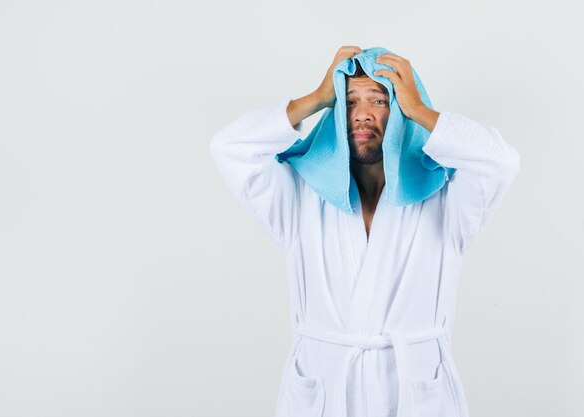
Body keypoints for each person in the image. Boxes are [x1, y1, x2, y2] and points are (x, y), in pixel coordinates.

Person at [209, 46, 520, 417]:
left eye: (380, 100)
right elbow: (228, 148)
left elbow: (501, 162)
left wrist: (421, 111)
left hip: (414, 393)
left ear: (402, 110)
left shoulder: (444, 201)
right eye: (350, 100)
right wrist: (318, 97)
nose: (362, 114)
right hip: (324, 390)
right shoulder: (301, 197)